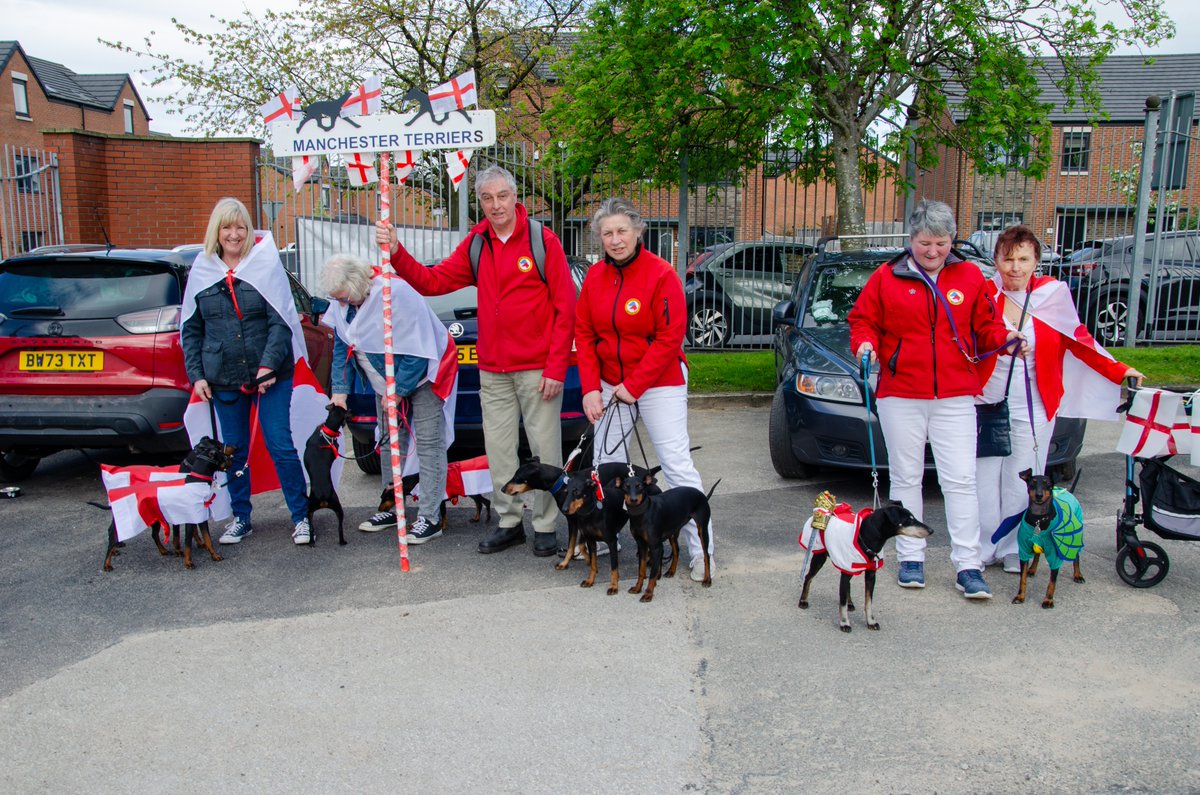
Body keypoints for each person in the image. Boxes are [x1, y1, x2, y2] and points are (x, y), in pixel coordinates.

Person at [375, 165, 576, 556]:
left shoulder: (542, 240)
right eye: (487, 198)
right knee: (500, 451)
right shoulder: (476, 244)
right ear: (480, 203)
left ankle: (547, 524)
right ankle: (509, 522)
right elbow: (432, 282)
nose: (496, 205)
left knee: (546, 451)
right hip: (493, 370)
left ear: (515, 197)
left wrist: (556, 367)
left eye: (502, 196)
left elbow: (565, 309)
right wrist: (397, 251)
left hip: (537, 368)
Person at [848, 199, 1023, 599]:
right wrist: (866, 346)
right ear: (911, 240)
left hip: (955, 395)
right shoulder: (886, 276)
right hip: (901, 394)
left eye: (941, 243)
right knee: (907, 477)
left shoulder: (969, 277)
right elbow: (862, 320)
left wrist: (1007, 340)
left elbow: (988, 325)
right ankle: (911, 556)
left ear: (952, 240)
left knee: (960, 480)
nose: (933, 252)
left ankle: (969, 564)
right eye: (925, 243)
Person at [976, 225, 1143, 572]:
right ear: (996, 261)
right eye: (1008, 259)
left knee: (1022, 477)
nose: (1016, 268)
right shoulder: (982, 294)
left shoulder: (1053, 295)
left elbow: (1079, 340)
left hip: (1035, 401)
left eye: (1024, 259)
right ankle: (982, 546)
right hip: (984, 400)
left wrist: (1120, 370)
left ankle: (1014, 547)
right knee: (983, 476)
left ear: (1037, 261)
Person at [575, 198, 715, 581]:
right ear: (599, 237)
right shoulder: (594, 278)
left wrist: (635, 385)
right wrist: (591, 388)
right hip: (608, 382)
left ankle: (701, 549)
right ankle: (611, 536)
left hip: (660, 381)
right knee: (606, 467)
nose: (616, 240)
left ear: (638, 232)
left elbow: (671, 336)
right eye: (608, 233)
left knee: (675, 464)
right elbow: (585, 335)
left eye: (622, 231)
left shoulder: (661, 274)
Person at [181, 197, 311, 545]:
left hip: (271, 376)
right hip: (223, 377)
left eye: (240, 227)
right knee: (233, 449)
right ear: (217, 232)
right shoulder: (203, 271)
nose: (234, 234)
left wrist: (268, 365)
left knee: (280, 444)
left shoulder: (264, 267)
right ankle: (241, 516)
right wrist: (197, 375)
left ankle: (300, 515)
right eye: (227, 227)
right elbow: (191, 329)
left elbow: (281, 321)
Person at [318, 253, 458, 544]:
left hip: (424, 375)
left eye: (345, 298)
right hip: (384, 383)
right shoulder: (343, 301)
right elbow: (343, 351)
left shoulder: (397, 295)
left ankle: (430, 517)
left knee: (429, 444)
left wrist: (398, 391)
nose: (342, 304)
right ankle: (392, 505)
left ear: (358, 286)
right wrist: (340, 391)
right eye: (338, 300)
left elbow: (419, 351)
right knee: (389, 443)